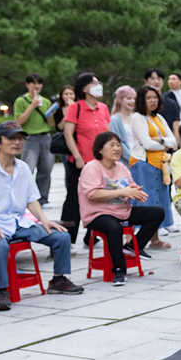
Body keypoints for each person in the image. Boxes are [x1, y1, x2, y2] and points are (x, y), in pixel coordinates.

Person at [0, 122, 85, 312]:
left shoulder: (22, 167)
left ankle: (58, 279)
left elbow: (32, 200)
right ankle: (2, 290)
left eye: (21, 138)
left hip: (18, 222)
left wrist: (45, 221)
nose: (17, 142)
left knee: (61, 236)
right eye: (12, 138)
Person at [78, 132, 165, 286]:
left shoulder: (121, 167)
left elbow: (129, 186)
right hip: (98, 214)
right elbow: (93, 194)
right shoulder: (92, 168)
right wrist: (123, 192)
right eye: (112, 145)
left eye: (118, 145)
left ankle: (131, 247)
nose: (117, 148)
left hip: (122, 211)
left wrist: (135, 191)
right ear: (100, 149)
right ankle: (119, 270)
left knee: (157, 213)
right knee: (114, 228)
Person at [61, 72, 111, 244]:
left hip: (101, 163)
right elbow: (68, 134)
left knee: (100, 198)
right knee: (74, 200)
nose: (98, 85)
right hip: (81, 163)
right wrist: (77, 156)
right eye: (94, 83)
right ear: (84, 88)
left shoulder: (103, 108)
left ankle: (92, 236)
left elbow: (107, 134)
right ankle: (67, 238)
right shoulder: (76, 107)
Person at [130, 85, 178, 245]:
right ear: (142, 100)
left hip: (161, 165)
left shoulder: (159, 118)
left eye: (155, 97)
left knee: (160, 200)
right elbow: (147, 144)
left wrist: (162, 141)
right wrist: (165, 144)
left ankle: (155, 239)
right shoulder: (137, 117)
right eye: (149, 98)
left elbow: (173, 141)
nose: (153, 101)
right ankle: (140, 240)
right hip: (144, 164)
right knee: (147, 201)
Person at [13, 73, 57, 205]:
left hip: (45, 137)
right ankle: (25, 198)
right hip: (29, 139)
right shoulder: (21, 101)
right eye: (33, 83)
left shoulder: (46, 101)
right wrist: (32, 106)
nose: (36, 86)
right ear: (27, 85)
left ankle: (42, 198)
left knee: (46, 169)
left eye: (39, 83)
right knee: (27, 169)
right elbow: (18, 122)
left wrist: (51, 114)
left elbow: (50, 124)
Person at [107, 85, 138, 166]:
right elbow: (117, 143)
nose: (132, 101)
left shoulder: (138, 117)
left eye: (134, 99)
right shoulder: (114, 120)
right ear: (120, 100)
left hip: (141, 161)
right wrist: (133, 159)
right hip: (123, 163)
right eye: (129, 98)